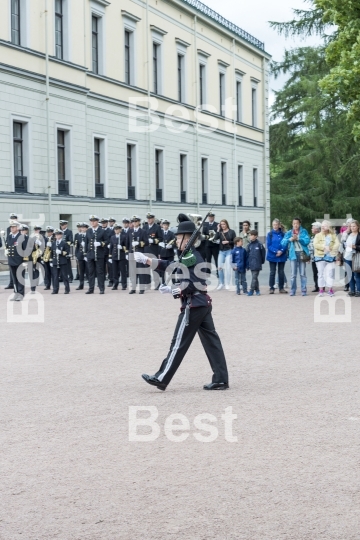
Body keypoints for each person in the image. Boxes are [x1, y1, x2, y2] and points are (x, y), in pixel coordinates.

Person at [135, 214, 229, 391]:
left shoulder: (191, 256)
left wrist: (174, 289)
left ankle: (162, 377)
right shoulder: (188, 255)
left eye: (178, 238)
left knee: (178, 343)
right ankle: (221, 379)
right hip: (202, 304)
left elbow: (194, 282)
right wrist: (148, 260)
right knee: (212, 342)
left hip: (193, 304)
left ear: (187, 239)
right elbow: (172, 265)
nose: (176, 241)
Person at [281, 217, 310, 296]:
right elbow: (283, 242)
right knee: (293, 274)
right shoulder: (289, 233)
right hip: (293, 254)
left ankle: (303, 290)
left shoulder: (304, 231)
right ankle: (293, 290)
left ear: (300, 224)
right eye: (294, 223)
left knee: (302, 273)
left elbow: (307, 241)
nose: (295, 225)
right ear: (292, 224)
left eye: (297, 223)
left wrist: (298, 238)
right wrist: (290, 239)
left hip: (302, 253)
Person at [313, 220, 340, 297]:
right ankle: (321, 290)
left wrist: (331, 248)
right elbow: (315, 244)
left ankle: (330, 289)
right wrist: (324, 247)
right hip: (319, 256)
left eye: (324, 225)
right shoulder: (317, 235)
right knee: (320, 274)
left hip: (330, 257)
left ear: (328, 227)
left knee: (330, 274)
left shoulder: (333, 235)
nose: (322, 227)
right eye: (322, 225)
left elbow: (337, 244)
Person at [6, 220, 28, 301]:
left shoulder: (22, 237)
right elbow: (8, 246)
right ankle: (16, 293)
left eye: (13, 227)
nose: (12, 228)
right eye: (11, 227)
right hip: (11, 260)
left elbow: (26, 249)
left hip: (19, 261)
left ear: (18, 228)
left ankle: (21, 294)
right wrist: (6, 251)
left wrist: (25, 261)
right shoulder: (9, 237)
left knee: (20, 278)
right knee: (14, 278)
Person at [84, 215, 107, 294]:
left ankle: (101, 288)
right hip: (90, 254)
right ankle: (91, 289)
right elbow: (86, 243)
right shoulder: (88, 231)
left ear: (97, 222)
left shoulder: (102, 231)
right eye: (91, 221)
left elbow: (107, 241)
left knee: (100, 272)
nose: (92, 222)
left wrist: (100, 243)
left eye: (94, 221)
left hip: (99, 254)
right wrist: (85, 254)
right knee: (90, 272)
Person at [212, 219, 236, 290]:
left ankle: (227, 283)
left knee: (228, 267)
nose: (223, 226)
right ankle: (221, 283)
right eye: (221, 224)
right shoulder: (220, 232)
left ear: (227, 224)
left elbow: (235, 241)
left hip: (229, 250)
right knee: (219, 267)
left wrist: (228, 241)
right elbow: (214, 239)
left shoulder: (231, 232)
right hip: (221, 251)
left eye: (224, 224)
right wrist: (218, 230)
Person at [266, 218, 287, 294]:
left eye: (276, 225)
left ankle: (281, 288)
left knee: (281, 272)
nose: (275, 226)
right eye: (274, 225)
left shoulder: (283, 234)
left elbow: (285, 244)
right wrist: (276, 251)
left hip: (282, 255)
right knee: (272, 272)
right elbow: (269, 245)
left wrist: (281, 251)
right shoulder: (270, 234)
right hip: (272, 255)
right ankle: (271, 287)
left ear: (279, 225)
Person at [129, 216, 149, 294]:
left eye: (136, 221)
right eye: (133, 221)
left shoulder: (143, 231)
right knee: (133, 272)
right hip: (132, 254)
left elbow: (146, 242)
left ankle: (141, 288)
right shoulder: (130, 231)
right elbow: (128, 243)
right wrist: (128, 253)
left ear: (139, 222)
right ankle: (133, 288)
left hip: (140, 253)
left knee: (140, 271)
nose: (134, 223)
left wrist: (139, 243)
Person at [108, 223, 128, 290]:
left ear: (120, 230)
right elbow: (111, 247)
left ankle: (124, 285)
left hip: (121, 256)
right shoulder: (112, 237)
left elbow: (126, 247)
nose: (116, 230)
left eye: (117, 229)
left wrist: (122, 248)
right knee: (115, 272)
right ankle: (115, 285)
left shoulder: (123, 237)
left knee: (123, 271)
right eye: (115, 229)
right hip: (114, 256)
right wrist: (110, 257)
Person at [343, 220, 360, 297]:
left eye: (354, 226)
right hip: (347, 256)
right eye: (351, 226)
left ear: (357, 227)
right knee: (350, 275)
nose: (352, 228)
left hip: (356, 256)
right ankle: (352, 290)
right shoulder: (348, 235)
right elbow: (344, 244)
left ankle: (358, 290)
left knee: (357, 274)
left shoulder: (359, 235)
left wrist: (355, 247)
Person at [50, 229, 70, 294]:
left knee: (64, 276)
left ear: (61, 235)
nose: (57, 236)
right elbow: (51, 253)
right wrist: (51, 261)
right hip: (55, 261)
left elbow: (67, 252)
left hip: (62, 261)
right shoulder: (53, 243)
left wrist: (61, 252)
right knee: (55, 276)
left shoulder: (64, 243)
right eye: (56, 234)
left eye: (58, 234)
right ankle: (55, 289)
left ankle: (67, 289)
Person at [246, 230, 266, 296]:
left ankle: (251, 290)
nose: (250, 237)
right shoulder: (249, 245)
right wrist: (247, 264)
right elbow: (247, 255)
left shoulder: (259, 244)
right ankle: (257, 290)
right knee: (255, 278)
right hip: (251, 263)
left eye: (251, 235)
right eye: (250, 235)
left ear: (255, 236)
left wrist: (261, 261)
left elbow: (263, 253)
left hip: (257, 263)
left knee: (254, 277)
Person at [158, 219, 175, 284]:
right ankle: (163, 282)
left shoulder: (171, 233)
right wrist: (159, 253)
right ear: (162, 225)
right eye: (164, 225)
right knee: (162, 270)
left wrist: (171, 246)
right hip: (162, 254)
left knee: (171, 268)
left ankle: (173, 282)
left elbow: (174, 243)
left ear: (168, 226)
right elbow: (159, 243)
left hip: (169, 254)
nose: (165, 226)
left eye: (166, 225)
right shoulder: (160, 233)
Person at [4, 212, 19, 290]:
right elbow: (7, 240)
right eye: (12, 218)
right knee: (11, 268)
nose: (13, 220)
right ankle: (11, 283)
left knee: (18, 270)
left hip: (17, 251)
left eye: (14, 218)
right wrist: (6, 248)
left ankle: (18, 285)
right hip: (11, 251)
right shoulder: (8, 229)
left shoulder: (19, 227)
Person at [340, 218, 354, 292]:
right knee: (347, 270)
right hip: (346, 253)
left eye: (351, 223)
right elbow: (342, 242)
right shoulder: (345, 232)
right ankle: (347, 285)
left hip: (354, 253)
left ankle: (354, 286)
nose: (349, 225)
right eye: (348, 223)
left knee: (355, 269)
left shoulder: (356, 232)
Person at [308, 222, 322, 292]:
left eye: (313, 228)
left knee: (320, 272)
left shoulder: (321, 237)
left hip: (320, 258)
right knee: (315, 272)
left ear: (317, 229)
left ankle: (321, 286)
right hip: (313, 258)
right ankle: (316, 286)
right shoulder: (312, 237)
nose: (311, 229)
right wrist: (309, 257)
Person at [75, 223, 88, 291]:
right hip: (80, 255)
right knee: (81, 271)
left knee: (89, 270)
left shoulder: (88, 235)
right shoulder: (78, 236)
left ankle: (90, 285)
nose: (82, 229)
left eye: (84, 228)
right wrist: (76, 255)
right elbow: (77, 247)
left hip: (87, 255)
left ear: (86, 228)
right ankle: (81, 284)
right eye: (81, 228)